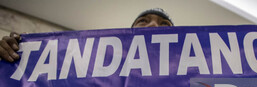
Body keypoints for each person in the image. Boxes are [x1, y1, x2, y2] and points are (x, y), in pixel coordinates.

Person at [0, 8, 173, 62]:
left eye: (164, 24)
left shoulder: (197, 78)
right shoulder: (90, 63)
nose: (153, 26)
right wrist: (17, 60)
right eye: (143, 20)